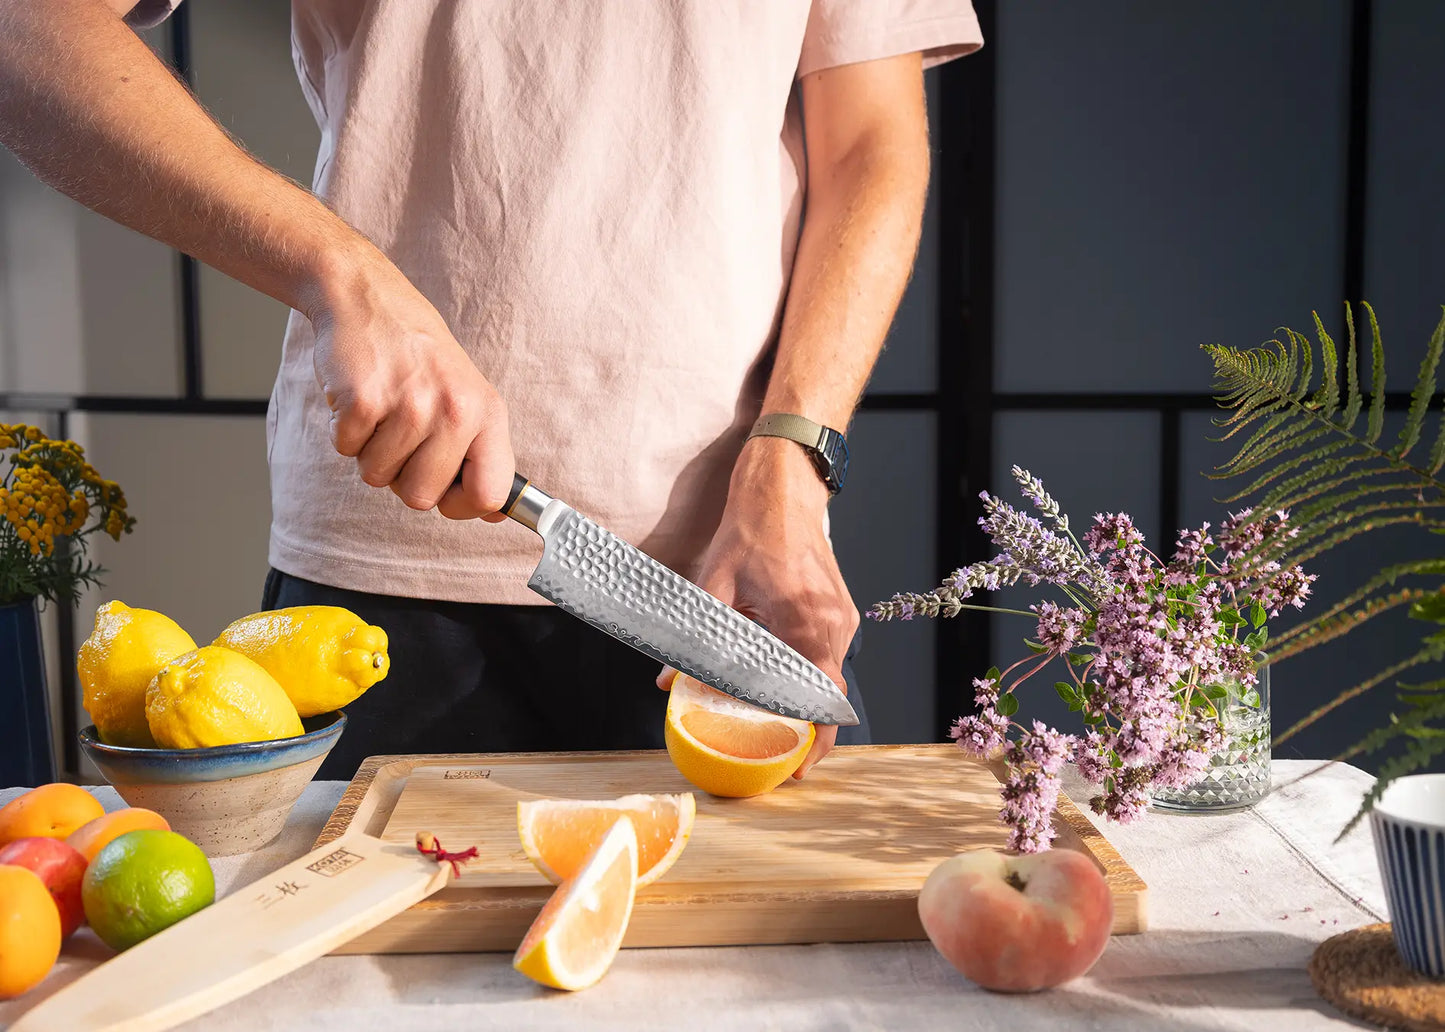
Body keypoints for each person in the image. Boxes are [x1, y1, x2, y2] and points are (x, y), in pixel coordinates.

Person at [0, 1, 982, 779]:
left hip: (728, 581)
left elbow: (869, 149)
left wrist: (794, 458)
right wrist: (341, 273)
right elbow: (28, 28)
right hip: (381, 566)